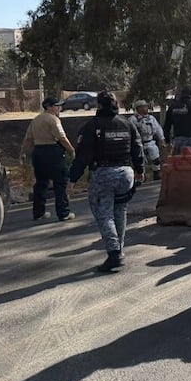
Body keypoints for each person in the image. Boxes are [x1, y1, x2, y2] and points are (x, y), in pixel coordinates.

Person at [69, 91, 145, 272]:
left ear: (99, 106)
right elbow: (137, 148)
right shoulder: (127, 124)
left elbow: (83, 155)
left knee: (104, 214)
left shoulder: (91, 126)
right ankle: (120, 249)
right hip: (126, 174)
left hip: (103, 174)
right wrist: (140, 170)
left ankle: (114, 254)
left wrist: (72, 179)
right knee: (120, 211)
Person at [20, 96, 76, 222]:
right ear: (49, 107)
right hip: (52, 153)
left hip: (38, 153)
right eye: (57, 106)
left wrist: (23, 153)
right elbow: (61, 137)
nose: (59, 108)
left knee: (41, 183)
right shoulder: (53, 120)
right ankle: (63, 212)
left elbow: (28, 138)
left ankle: (38, 212)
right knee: (60, 182)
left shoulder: (36, 120)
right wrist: (71, 150)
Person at [163, 85, 191, 155]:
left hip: (178, 139)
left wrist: (168, 142)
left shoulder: (173, 106)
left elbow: (167, 126)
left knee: (179, 163)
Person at [130, 100, 165, 180]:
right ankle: (142, 176)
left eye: (146, 106)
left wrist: (162, 139)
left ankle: (157, 174)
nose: (146, 108)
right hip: (139, 143)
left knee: (156, 159)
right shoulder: (133, 119)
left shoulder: (151, 118)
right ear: (139, 108)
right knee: (140, 161)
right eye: (144, 106)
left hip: (150, 142)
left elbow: (158, 129)